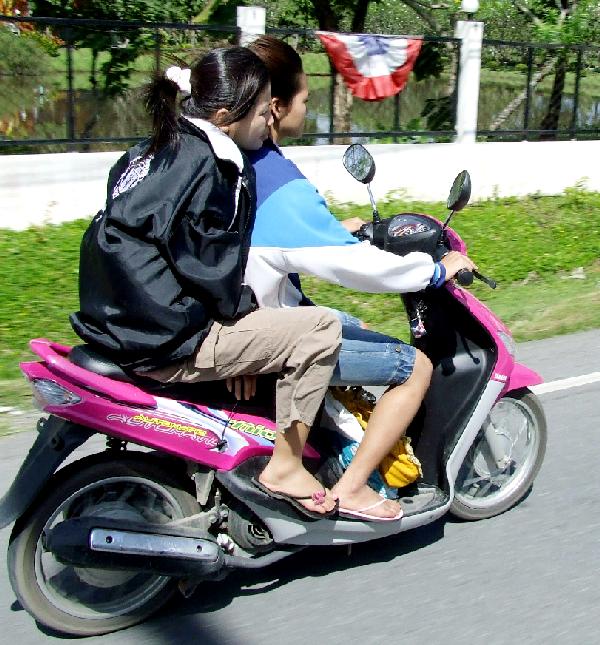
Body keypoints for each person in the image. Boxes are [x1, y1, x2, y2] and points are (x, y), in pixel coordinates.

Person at [70, 47, 342, 519]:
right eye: (262, 112)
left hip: (116, 320)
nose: (269, 122)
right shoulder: (213, 163)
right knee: (321, 328)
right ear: (224, 116)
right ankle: (286, 466)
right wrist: (244, 312)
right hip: (164, 334)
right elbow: (208, 262)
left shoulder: (156, 147)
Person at [243, 36, 476, 521]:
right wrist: (436, 270)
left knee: (353, 323)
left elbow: (272, 241)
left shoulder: (233, 163)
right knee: (414, 367)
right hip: (273, 328)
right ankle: (352, 488)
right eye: (304, 99)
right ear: (276, 107)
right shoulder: (278, 181)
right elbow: (361, 269)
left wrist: (331, 230)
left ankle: (335, 435)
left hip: (246, 315)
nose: (307, 109)